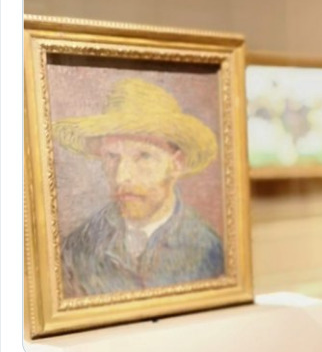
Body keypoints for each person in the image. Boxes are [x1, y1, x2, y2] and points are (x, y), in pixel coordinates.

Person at [53, 79, 224, 297]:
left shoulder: (208, 249)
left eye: (143, 156)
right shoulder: (76, 248)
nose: (122, 176)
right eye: (112, 157)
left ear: (176, 164)